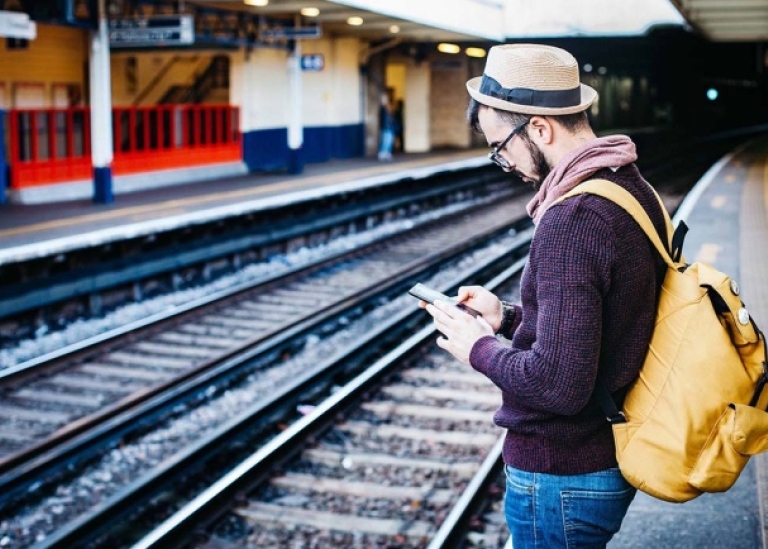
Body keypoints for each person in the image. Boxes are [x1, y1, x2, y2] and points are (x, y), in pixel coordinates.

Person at [420, 44, 669, 548]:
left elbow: (557, 384)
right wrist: (507, 316)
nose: (504, 163)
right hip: (600, 457)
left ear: (539, 128)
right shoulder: (628, 185)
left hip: (562, 475)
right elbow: (605, 320)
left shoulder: (572, 220)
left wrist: (476, 346)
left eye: (501, 147)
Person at [378, 92, 396, 161]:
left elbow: (390, 118)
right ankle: (383, 153)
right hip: (386, 127)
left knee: (389, 140)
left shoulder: (387, 110)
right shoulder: (383, 109)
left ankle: (387, 153)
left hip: (390, 127)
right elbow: (383, 119)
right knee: (386, 140)